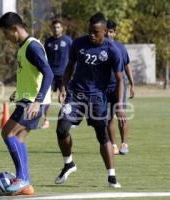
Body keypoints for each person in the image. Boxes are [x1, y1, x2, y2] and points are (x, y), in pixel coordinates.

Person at [54, 12, 126, 188]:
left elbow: (119, 79)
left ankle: (112, 177)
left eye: (96, 32)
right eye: (89, 31)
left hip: (96, 99)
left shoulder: (112, 50)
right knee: (62, 128)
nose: (91, 35)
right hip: (75, 95)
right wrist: (63, 87)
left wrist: (120, 105)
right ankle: (69, 163)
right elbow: (70, 67)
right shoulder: (78, 43)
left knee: (103, 137)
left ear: (105, 31)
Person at [0, 12, 53, 195]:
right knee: (19, 138)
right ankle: (26, 185)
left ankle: (22, 178)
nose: (6, 38)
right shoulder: (23, 47)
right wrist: (18, 93)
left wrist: (37, 101)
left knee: (7, 132)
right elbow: (31, 75)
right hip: (27, 99)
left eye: (6, 34)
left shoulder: (32, 47)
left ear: (14, 29)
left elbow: (49, 73)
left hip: (33, 102)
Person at [106, 20, 134, 155]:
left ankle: (124, 143)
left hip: (119, 87)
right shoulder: (99, 48)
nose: (108, 34)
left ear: (115, 33)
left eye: (111, 32)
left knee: (121, 114)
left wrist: (132, 84)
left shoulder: (120, 47)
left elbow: (127, 66)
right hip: (104, 88)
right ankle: (113, 145)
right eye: (106, 31)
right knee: (107, 118)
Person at [41, 19, 72, 129]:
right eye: (54, 27)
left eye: (58, 27)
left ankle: (67, 120)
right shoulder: (48, 42)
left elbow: (73, 58)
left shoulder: (68, 41)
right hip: (50, 74)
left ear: (62, 28)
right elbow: (44, 58)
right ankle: (46, 121)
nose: (56, 29)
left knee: (65, 98)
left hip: (64, 75)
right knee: (47, 97)